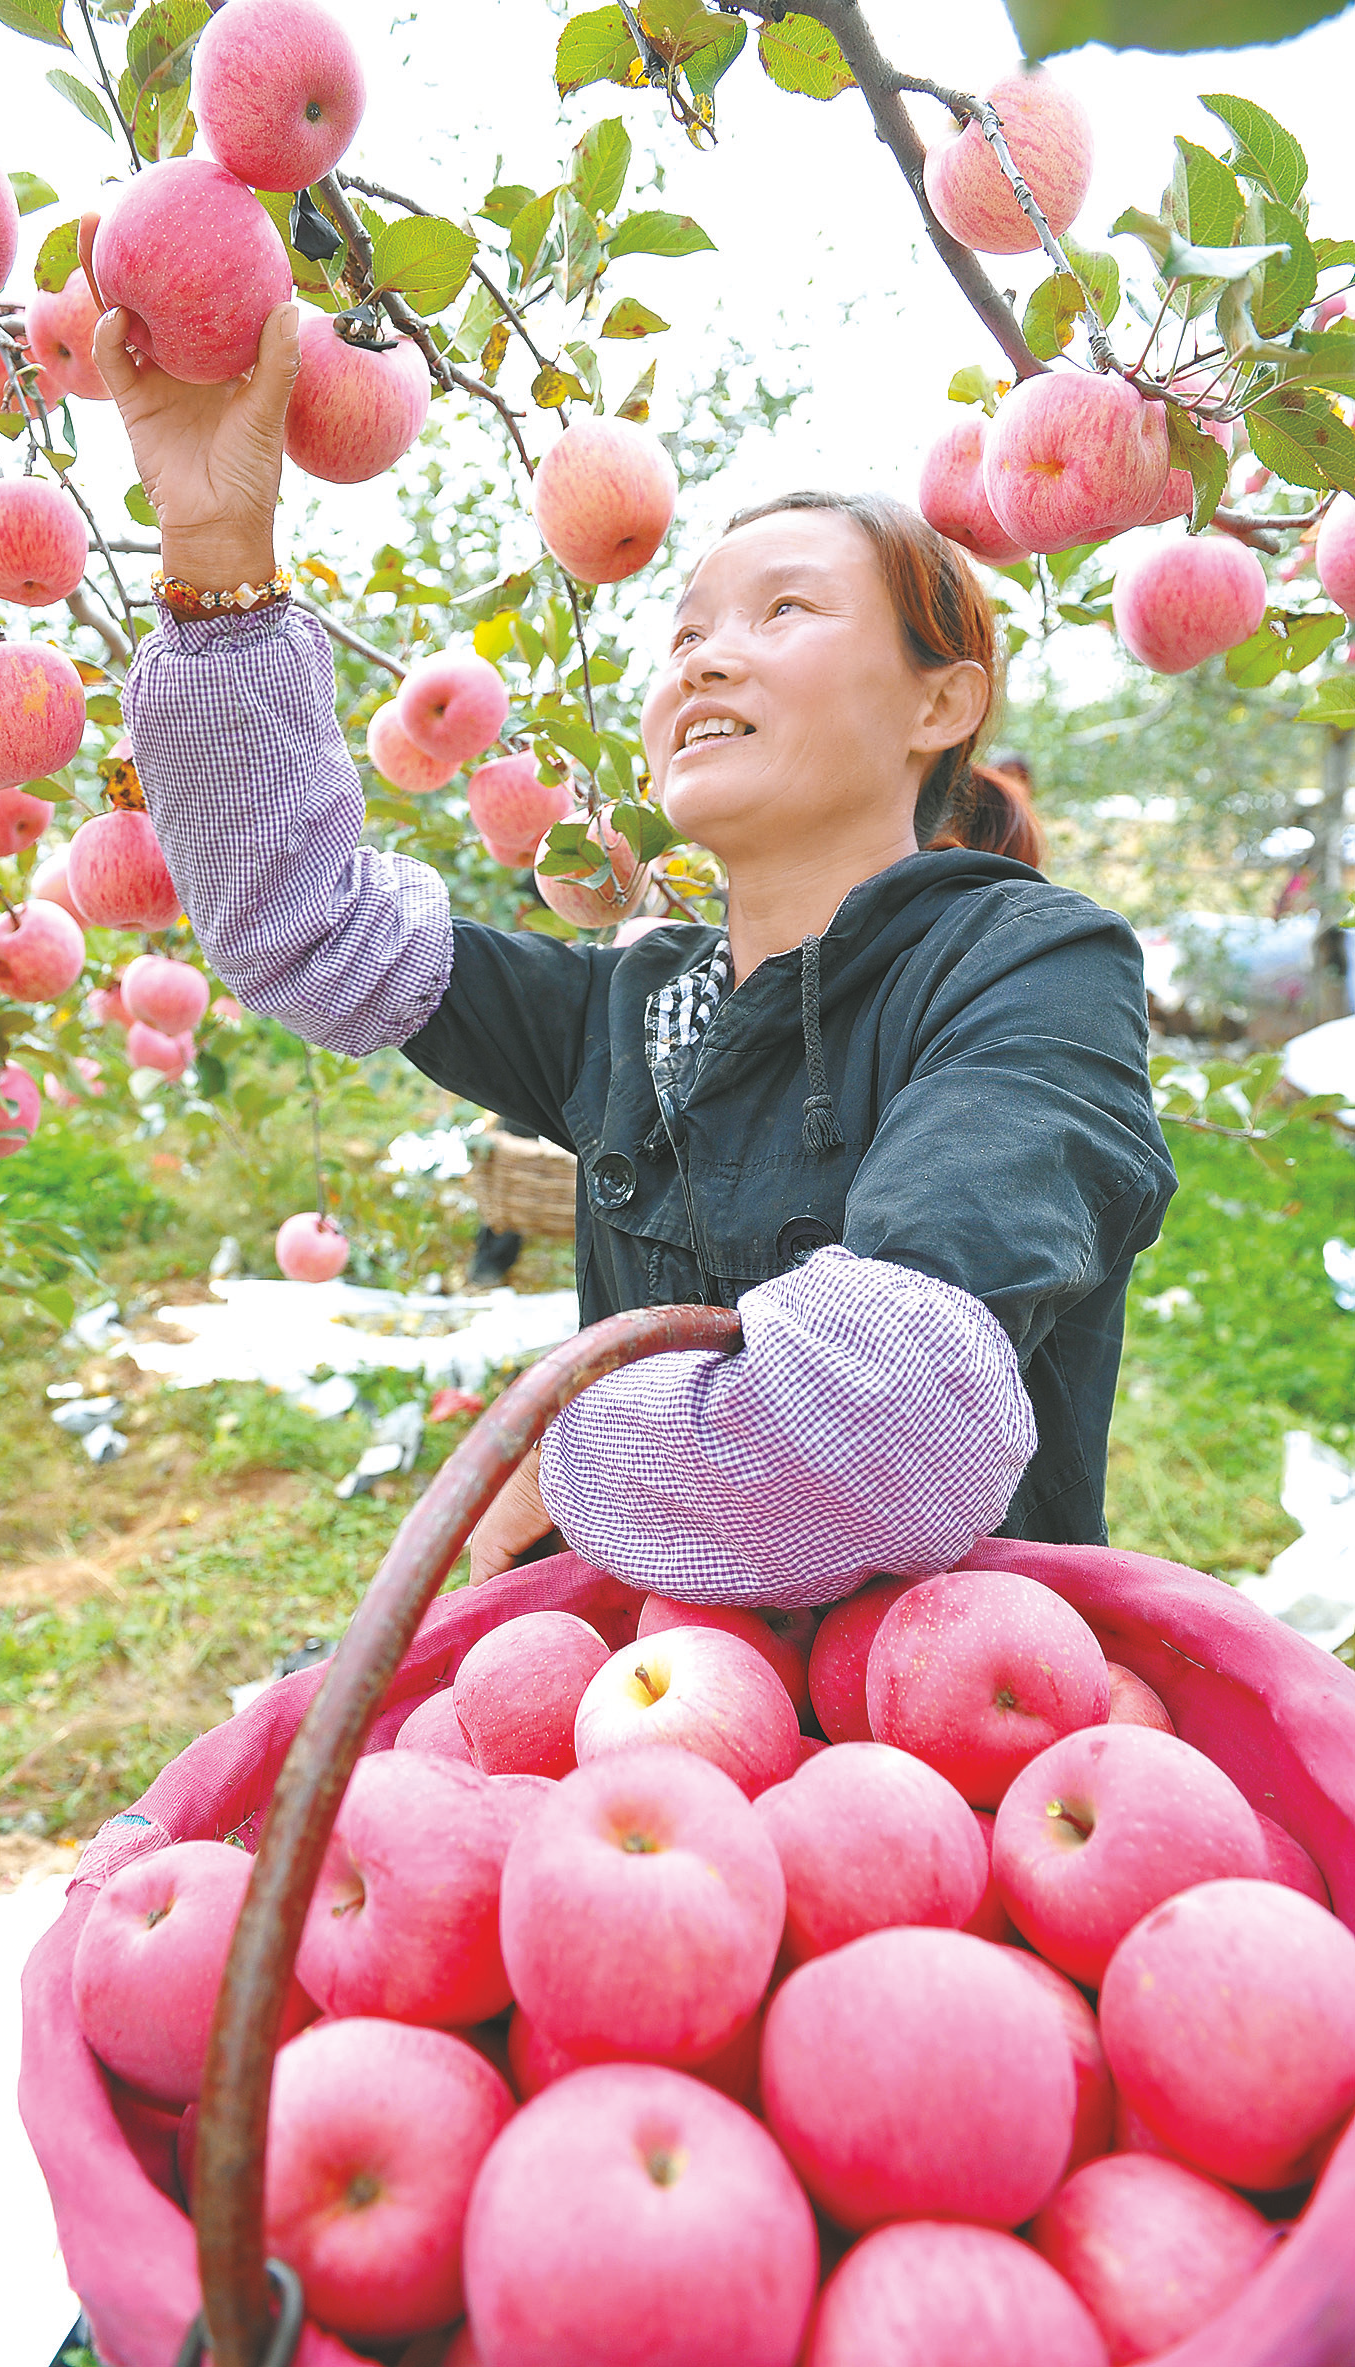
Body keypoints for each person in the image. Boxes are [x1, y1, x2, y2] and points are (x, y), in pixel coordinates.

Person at [94, 299, 1176, 1608]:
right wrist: (216, 558)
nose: (708, 654)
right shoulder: (643, 1008)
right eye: (684, 634)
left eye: (783, 608)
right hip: (643, 1714)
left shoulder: (1026, 968)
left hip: (943, 1739)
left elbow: (892, 1417)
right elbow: (305, 927)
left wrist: (560, 1455)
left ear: (937, 703)